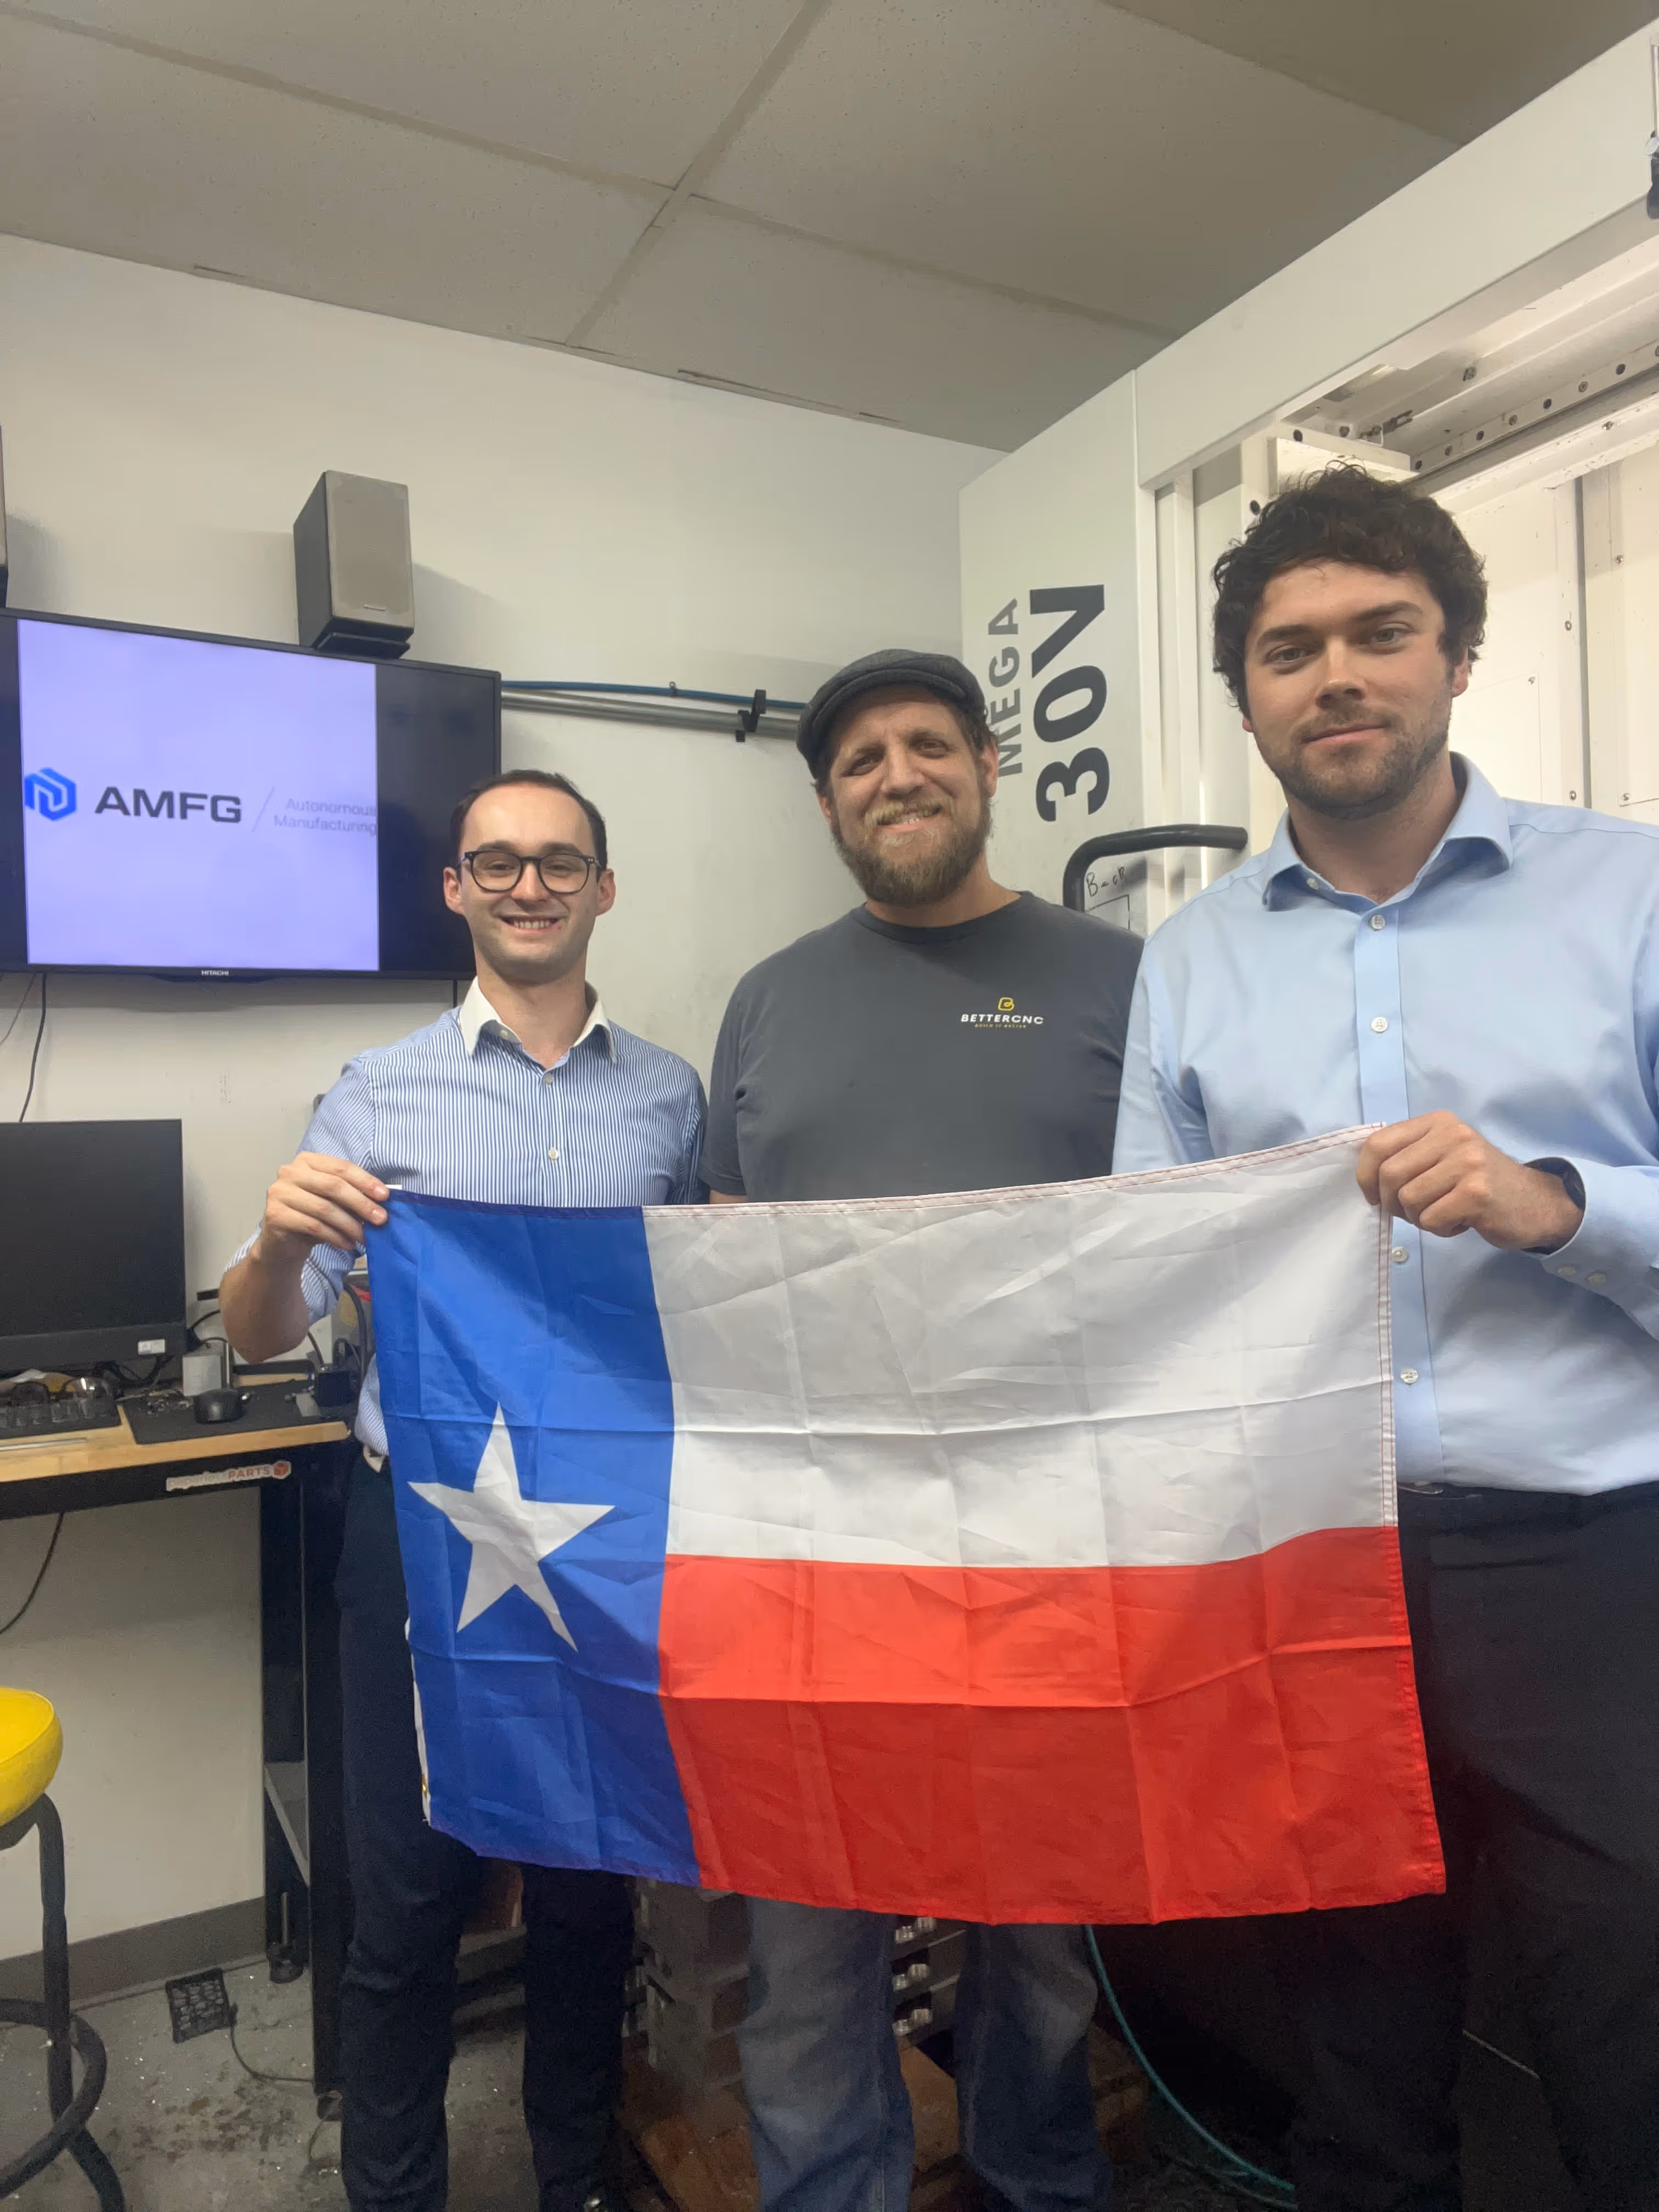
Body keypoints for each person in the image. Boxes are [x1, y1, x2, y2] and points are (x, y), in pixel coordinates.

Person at [1112, 464, 1659, 2212]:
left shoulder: (1631, 897)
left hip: (1592, 1569)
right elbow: (1151, 1266)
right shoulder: (1188, 963)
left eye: (1379, 633)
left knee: (1628, 2028)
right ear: (1249, 697)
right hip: (1317, 1573)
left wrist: (1558, 1205)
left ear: (1460, 655)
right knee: (1354, 2038)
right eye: (1289, 650)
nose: (1335, 674)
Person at [221, 768, 705, 2212]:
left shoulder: (669, 1098)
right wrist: (268, 1243)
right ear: (457, 888)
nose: (530, 884)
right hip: (423, 1533)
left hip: (607, 1533)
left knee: (581, 1882)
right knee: (409, 1897)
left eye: (562, 861)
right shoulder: (377, 1092)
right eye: (498, 861)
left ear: (603, 889)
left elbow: (689, 1316)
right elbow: (266, 1331)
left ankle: (580, 2184)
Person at [704, 646, 1141, 2212]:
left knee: (1038, 1950)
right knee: (811, 1957)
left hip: (1049, 1543)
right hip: (819, 1550)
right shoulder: (768, 1000)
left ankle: (1040, 2180)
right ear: (829, 802)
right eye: (864, 759)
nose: (900, 774)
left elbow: (1192, 1240)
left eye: (928, 744)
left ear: (985, 765)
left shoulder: (1114, 974)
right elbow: (723, 1246)